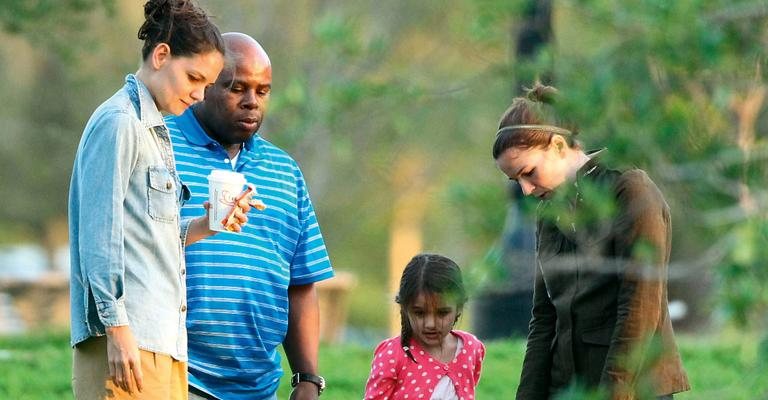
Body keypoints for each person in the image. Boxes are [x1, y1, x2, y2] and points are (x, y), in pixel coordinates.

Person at [69, 1, 251, 399]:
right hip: (127, 343)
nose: (200, 95)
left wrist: (207, 225)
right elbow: (98, 237)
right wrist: (117, 330)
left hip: (163, 344)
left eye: (207, 85)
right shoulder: (120, 123)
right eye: (193, 78)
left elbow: (145, 238)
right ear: (161, 55)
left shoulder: (155, 131)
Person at [492, 83, 690, 400]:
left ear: (558, 145)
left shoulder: (629, 190)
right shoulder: (548, 211)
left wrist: (614, 392)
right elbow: (544, 318)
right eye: (517, 181)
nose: (527, 190)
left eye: (529, 172)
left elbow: (640, 305)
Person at [165, 32, 334, 400]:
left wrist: (307, 378)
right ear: (205, 84)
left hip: (258, 386)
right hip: (176, 377)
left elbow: (301, 281)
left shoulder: (284, 171)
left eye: (262, 91)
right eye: (237, 87)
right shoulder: (161, 146)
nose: (251, 102)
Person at [363, 254, 486, 400]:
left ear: (459, 307)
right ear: (404, 308)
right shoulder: (392, 354)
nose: (430, 324)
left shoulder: (471, 348)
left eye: (442, 313)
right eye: (419, 313)